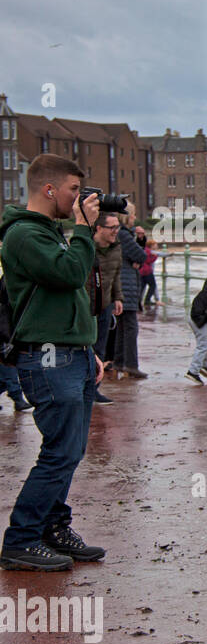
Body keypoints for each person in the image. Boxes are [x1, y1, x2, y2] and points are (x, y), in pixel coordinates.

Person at [0, 153, 108, 570]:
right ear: (49, 190)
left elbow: (68, 296)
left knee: (70, 450)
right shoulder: (25, 235)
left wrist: (88, 349)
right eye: (73, 190)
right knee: (59, 452)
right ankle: (21, 539)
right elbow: (68, 275)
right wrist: (83, 229)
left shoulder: (47, 232)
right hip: (47, 358)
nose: (78, 198)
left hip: (71, 354)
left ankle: (53, 528)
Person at [88, 212, 123, 404]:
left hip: (106, 304)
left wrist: (118, 297)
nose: (116, 231)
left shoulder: (116, 248)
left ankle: (93, 390)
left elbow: (116, 274)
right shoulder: (85, 247)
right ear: (99, 228)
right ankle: (81, 389)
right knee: (85, 348)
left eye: (118, 227)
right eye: (112, 227)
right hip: (86, 306)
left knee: (100, 347)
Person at [112, 203, 147, 379]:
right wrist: (138, 256)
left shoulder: (119, 234)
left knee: (122, 326)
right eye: (133, 215)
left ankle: (119, 362)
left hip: (121, 284)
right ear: (127, 216)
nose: (134, 219)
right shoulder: (124, 235)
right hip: (126, 286)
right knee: (130, 327)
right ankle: (131, 364)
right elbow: (141, 256)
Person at [139, 238, 159, 307]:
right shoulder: (148, 251)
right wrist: (156, 257)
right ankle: (147, 300)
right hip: (147, 271)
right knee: (152, 285)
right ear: (152, 245)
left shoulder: (145, 250)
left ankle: (139, 301)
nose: (157, 246)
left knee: (142, 286)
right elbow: (148, 260)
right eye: (155, 245)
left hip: (142, 271)